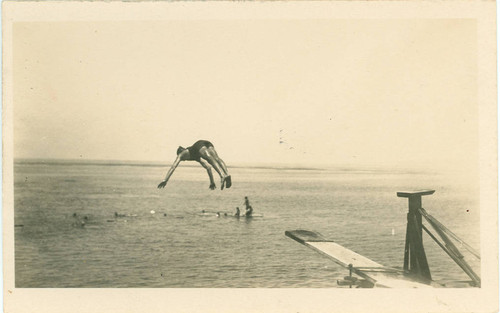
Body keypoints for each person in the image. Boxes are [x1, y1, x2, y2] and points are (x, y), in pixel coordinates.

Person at [157, 140, 231, 190]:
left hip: (199, 145)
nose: (184, 160)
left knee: (210, 159)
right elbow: (208, 168)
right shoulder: (196, 157)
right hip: (207, 143)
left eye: (183, 159)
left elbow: (173, 167)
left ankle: (222, 175)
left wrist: (165, 180)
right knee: (217, 158)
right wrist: (212, 182)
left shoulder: (182, 154)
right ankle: (227, 174)